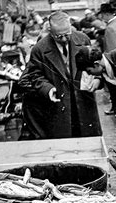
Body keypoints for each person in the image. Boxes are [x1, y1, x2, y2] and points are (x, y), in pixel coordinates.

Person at [18, 10, 101, 139]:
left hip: (83, 99)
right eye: (58, 36)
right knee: (63, 142)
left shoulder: (82, 39)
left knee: (87, 139)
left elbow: (95, 64)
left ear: (71, 27)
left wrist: (97, 79)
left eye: (67, 34)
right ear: (50, 30)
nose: (63, 39)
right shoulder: (39, 49)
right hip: (59, 104)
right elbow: (34, 75)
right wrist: (47, 89)